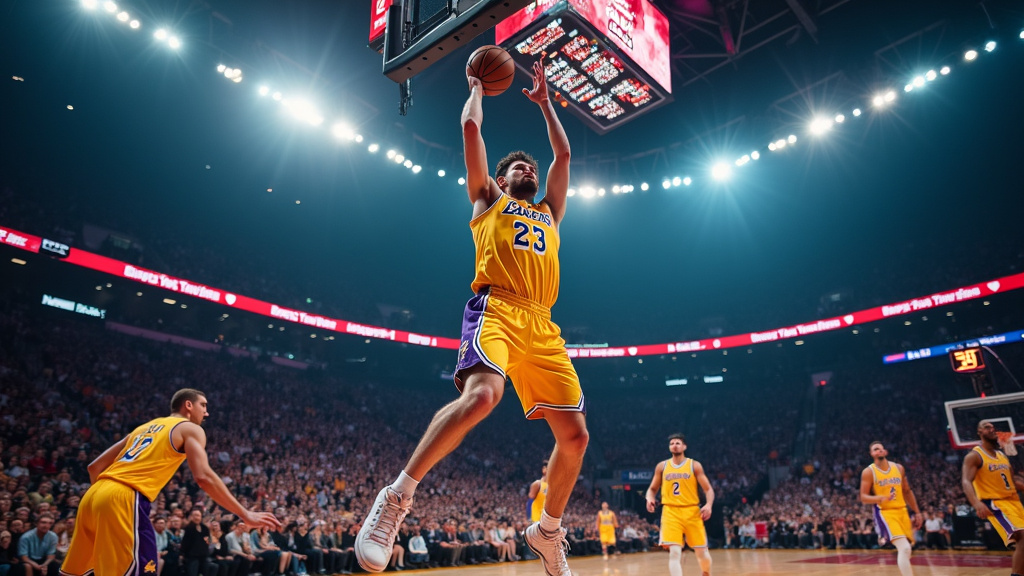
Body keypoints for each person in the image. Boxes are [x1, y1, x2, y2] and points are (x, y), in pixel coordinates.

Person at [354, 58, 587, 576]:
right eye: (518, 168)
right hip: (497, 308)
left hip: (543, 325)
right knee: (483, 396)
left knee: (575, 438)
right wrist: (477, 88)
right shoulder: (487, 200)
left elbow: (564, 154)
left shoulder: (550, 212)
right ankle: (396, 497)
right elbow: (470, 129)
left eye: (531, 168)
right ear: (500, 179)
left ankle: (547, 532)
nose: (528, 171)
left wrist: (546, 104)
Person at [61, 388, 280, 576]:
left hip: (93, 495)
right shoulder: (190, 428)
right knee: (143, 569)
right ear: (188, 405)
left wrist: (103, 500)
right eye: (203, 405)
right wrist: (245, 513)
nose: (207, 412)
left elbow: (94, 467)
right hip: (124, 496)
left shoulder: (143, 428)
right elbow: (203, 476)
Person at [645, 433, 714, 576]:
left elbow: (708, 489)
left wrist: (708, 505)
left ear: (684, 446)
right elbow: (652, 489)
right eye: (671, 443)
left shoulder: (694, 465)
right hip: (670, 512)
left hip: (692, 511)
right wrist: (649, 498)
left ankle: (706, 572)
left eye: (677, 443)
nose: (674, 446)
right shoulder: (662, 466)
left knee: (702, 552)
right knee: (674, 552)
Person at [962, 420, 1024, 576]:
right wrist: (976, 503)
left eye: (993, 427)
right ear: (979, 432)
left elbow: (1012, 481)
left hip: (1014, 502)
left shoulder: (1002, 455)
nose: (992, 429)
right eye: (987, 427)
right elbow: (966, 481)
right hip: (996, 503)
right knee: (1022, 537)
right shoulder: (975, 456)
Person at [859, 441, 922, 576]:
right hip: (885, 513)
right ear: (871, 454)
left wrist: (917, 512)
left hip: (902, 511)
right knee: (904, 548)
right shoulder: (868, 472)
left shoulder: (898, 468)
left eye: (881, 448)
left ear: (886, 452)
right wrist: (879, 498)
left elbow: (907, 491)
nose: (879, 450)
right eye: (876, 449)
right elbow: (863, 497)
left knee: (908, 550)